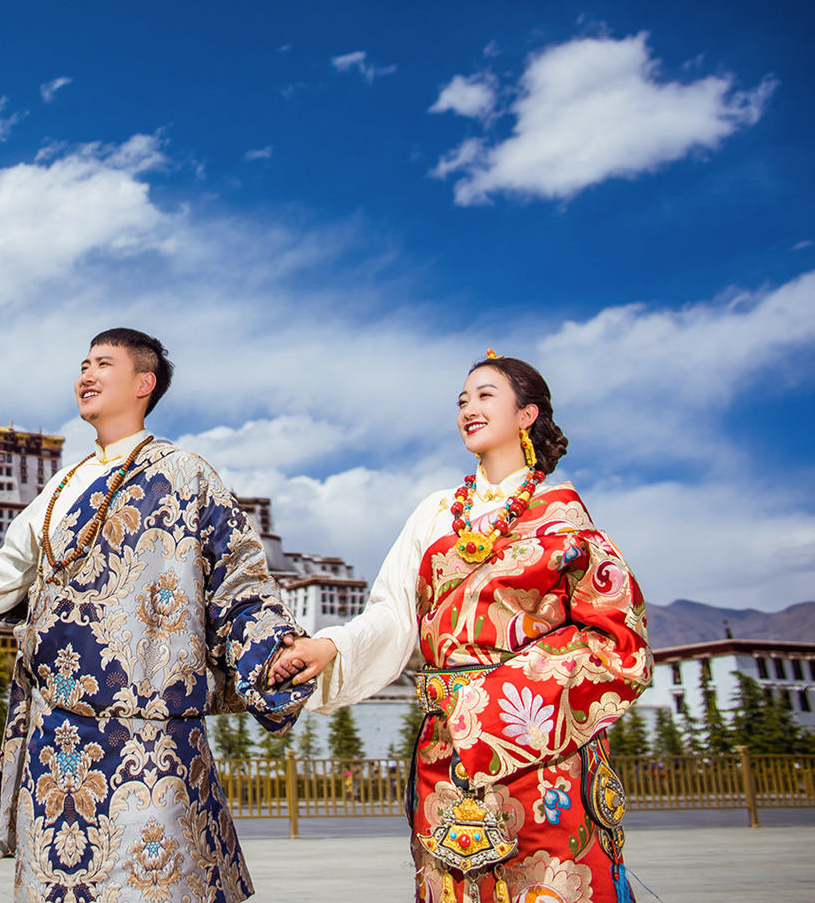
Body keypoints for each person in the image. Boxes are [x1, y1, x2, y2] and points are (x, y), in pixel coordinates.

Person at [0, 328, 312, 903]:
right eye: (82, 364)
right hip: (57, 736)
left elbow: (238, 578)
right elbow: (6, 574)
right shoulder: (63, 485)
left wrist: (274, 651)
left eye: (103, 363)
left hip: (151, 736)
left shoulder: (186, 474)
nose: (86, 375)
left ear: (144, 384)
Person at [271, 354, 652, 903]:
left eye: (485, 395)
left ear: (527, 414)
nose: (469, 408)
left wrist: (505, 700)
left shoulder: (563, 518)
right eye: (462, 400)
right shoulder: (436, 513)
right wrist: (331, 645)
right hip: (444, 750)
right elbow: (393, 612)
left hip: (544, 751)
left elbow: (617, 639)